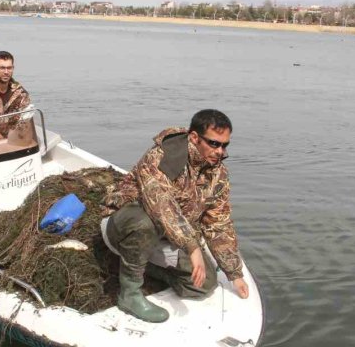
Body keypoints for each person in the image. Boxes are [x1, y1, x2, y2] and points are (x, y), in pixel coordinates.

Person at [102, 109, 250, 323]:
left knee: (204, 285)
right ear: (194, 138)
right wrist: (192, 246)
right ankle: (130, 295)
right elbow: (161, 206)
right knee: (145, 223)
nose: (220, 151)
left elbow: (218, 224)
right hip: (122, 226)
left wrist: (234, 273)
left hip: (167, 238)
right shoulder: (163, 156)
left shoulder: (218, 174)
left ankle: (142, 265)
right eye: (214, 144)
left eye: (225, 145)